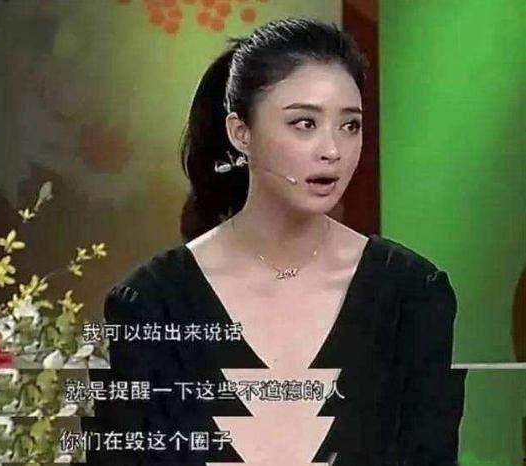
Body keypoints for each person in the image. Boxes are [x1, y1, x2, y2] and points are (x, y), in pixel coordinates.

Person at [83, 17, 466, 466]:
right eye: (304, 123)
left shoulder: (411, 295)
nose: (332, 150)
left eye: (350, 125)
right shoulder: (151, 303)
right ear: (240, 132)